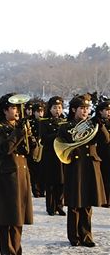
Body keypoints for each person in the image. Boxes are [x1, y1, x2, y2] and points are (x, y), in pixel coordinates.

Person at [56, 94, 108, 247]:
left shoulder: (94, 125)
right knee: (74, 204)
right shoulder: (66, 127)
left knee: (87, 204)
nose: (85, 111)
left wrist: (102, 125)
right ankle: (74, 236)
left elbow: (106, 140)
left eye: (87, 109)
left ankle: (86, 236)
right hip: (75, 167)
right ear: (74, 109)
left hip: (91, 166)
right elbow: (61, 147)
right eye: (82, 108)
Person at [0, 93, 34, 255]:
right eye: (13, 108)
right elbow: (3, 150)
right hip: (7, 178)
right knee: (6, 221)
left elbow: (32, 154)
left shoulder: (20, 127)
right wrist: (18, 132)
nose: (17, 111)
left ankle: (17, 251)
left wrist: (30, 137)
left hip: (22, 177)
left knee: (18, 221)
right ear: (5, 110)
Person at [40, 96, 67, 216]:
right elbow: (44, 139)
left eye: (60, 107)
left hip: (62, 155)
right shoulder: (44, 122)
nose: (57, 110)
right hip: (50, 155)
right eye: (55, 107)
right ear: (50, 109)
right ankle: (51, 206)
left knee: (61, 182)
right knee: (50, 182)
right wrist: (58, 134)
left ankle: (60, 205)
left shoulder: (65, 121)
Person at [28, 102, 45, 198]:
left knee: (42, 171)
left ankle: (42, 189)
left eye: (42, 111)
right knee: (34, 171)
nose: (40, 113)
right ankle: (36, 190)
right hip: (33, 148)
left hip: (43, 148)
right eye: (38, 111)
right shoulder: (30, 122)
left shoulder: (45, 121)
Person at [95, 100, 110, 207]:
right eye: (107, 110)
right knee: (102, 177)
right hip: (100, 153)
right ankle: (103, 199)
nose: (109, 112)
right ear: (100, 111)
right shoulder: (96, 122)